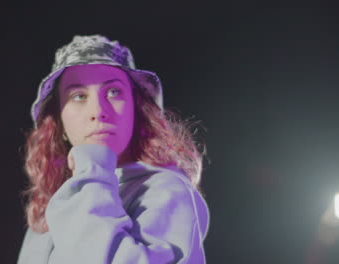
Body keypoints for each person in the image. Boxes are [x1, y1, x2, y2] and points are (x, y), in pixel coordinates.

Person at [17, 35, 210, 264]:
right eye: (78, 96)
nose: (98, 110)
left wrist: (93, 165)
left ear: (137, 111)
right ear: (59, 123)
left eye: (113, 92)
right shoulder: (46, 216)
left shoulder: (166, 190)